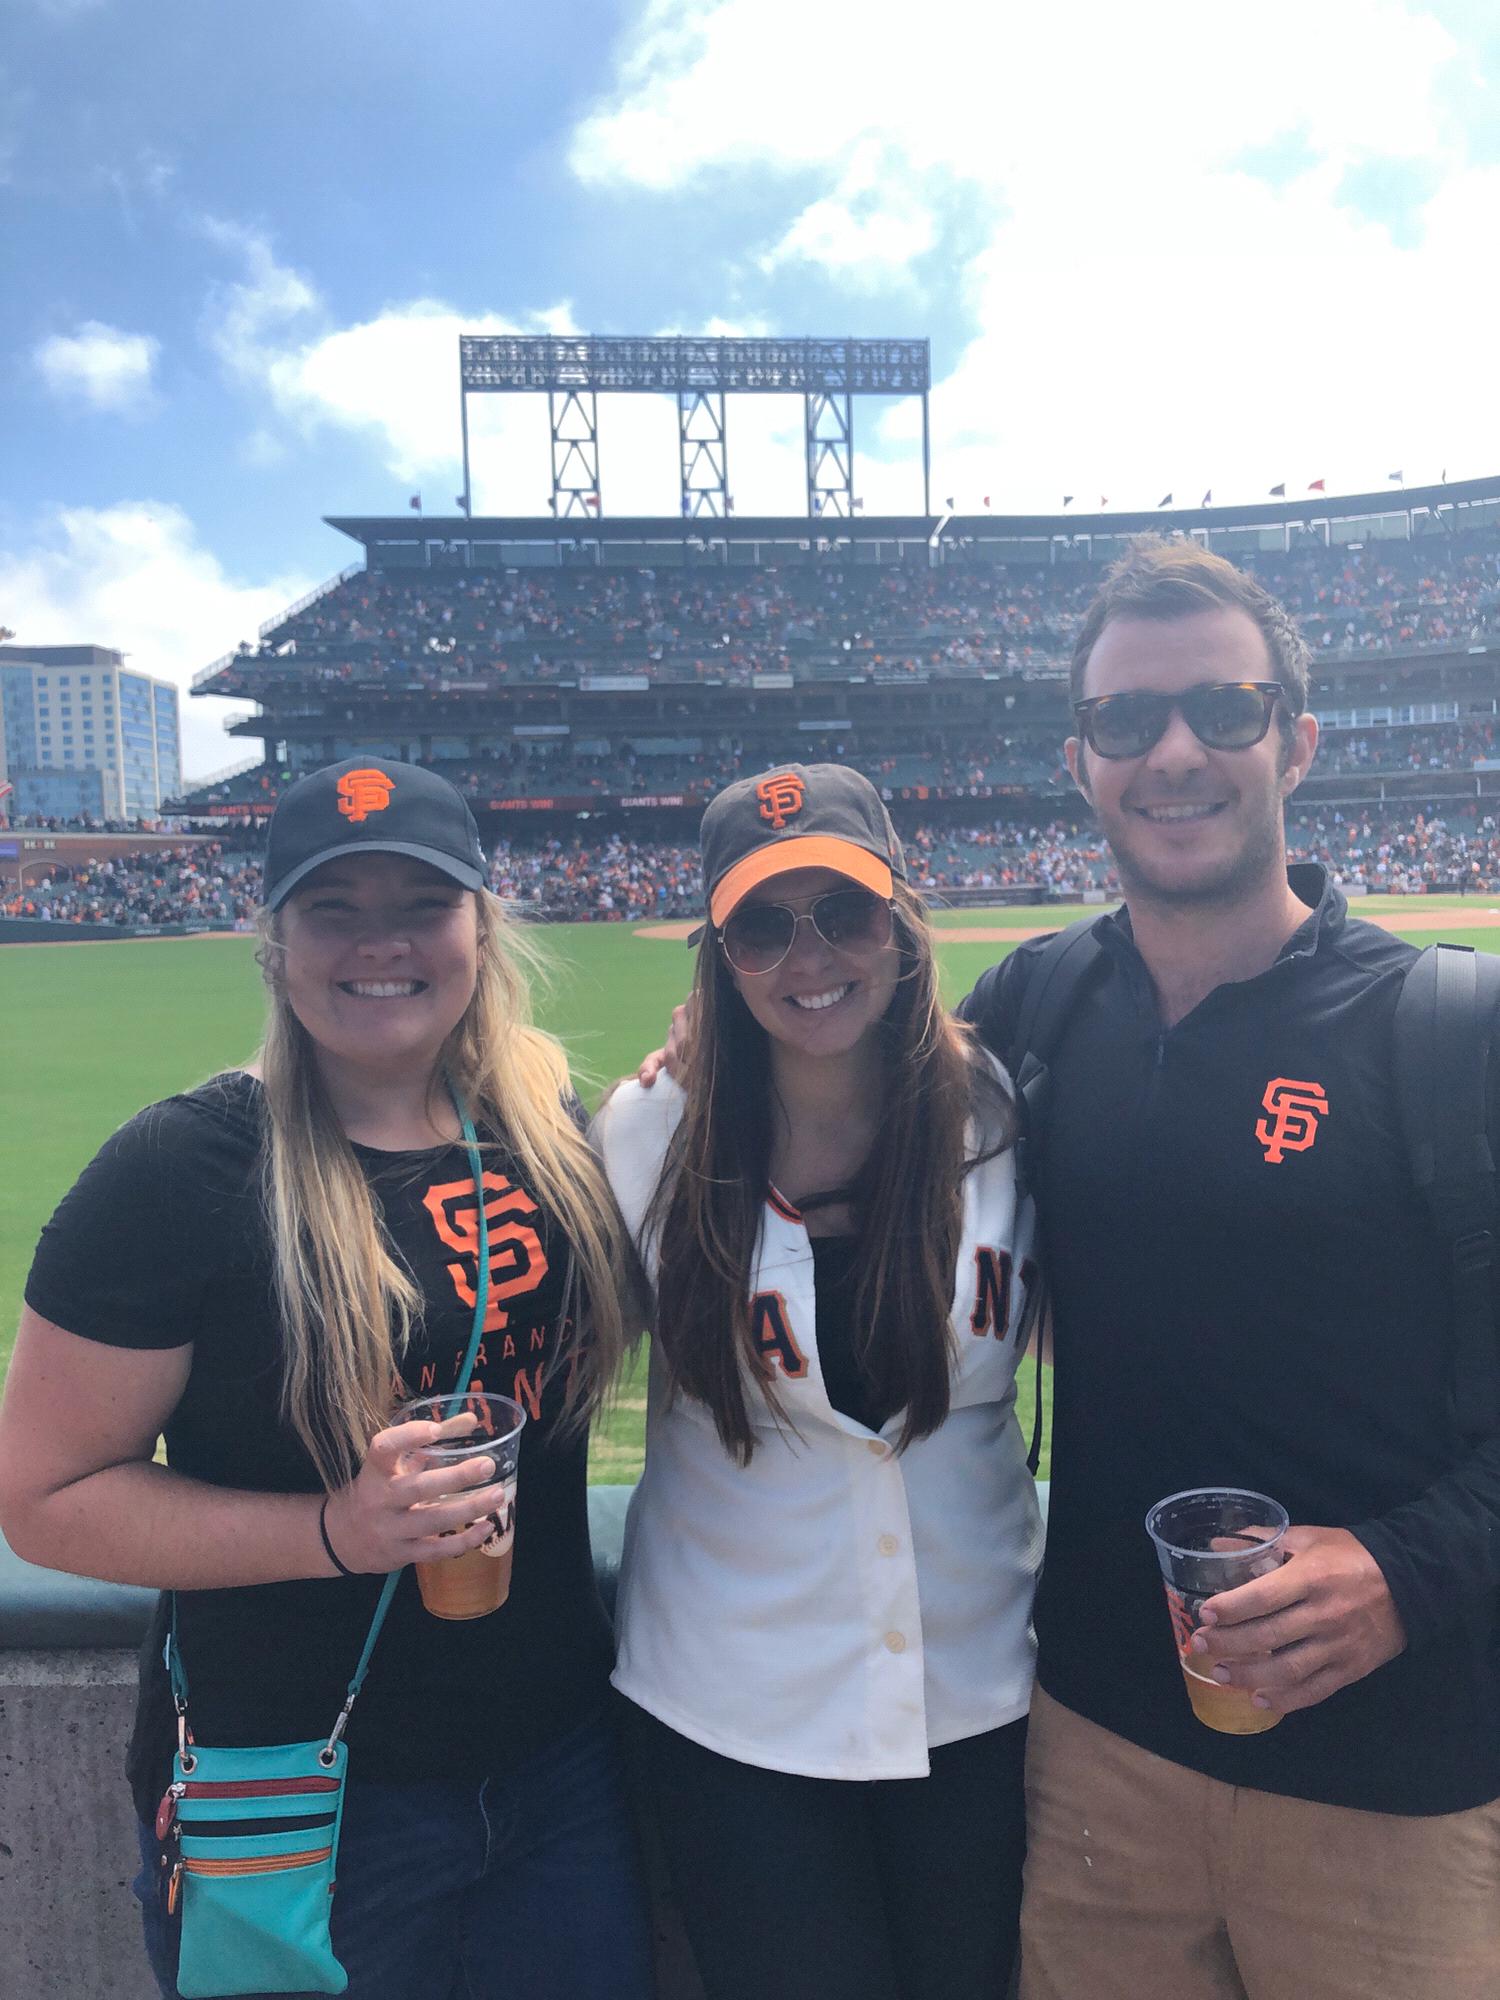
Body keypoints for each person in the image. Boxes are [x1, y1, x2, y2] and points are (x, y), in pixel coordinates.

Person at [0, 758, 655, 2000]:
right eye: (333, 907)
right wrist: (334, 1530)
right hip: (300, 1784)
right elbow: (42, 1495)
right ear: (275, 941)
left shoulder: (557, 1126)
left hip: (562, 1767)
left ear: (481, 923)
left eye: (420, 902)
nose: (380, 943)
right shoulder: (178, 1172)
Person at [954, 539, 1500, 1998]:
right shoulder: (1034, 1000)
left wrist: (1404, 1567)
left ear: (1297, 742)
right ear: (1084, 762)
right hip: (1098, 1752)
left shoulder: (1448, 1027)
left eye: (1224, 710)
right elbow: (844, 1110)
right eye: (1130, 722)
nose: (1175, 752)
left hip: (1393, 1780)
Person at [596, 763, 1040, 2000]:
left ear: (900, 921)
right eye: (761, 924)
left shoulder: (1004, 1109)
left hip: (979, 1692)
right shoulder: (644, 1135)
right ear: (719, 955)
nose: (810, 957)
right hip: (733, 1709)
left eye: (843, 913)